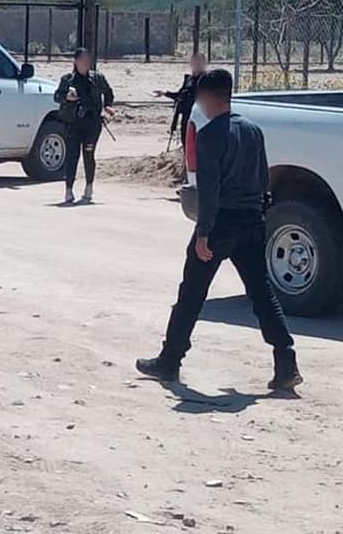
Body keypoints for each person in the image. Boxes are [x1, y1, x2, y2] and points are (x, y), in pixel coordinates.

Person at [136, 70, 302, 391]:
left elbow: (209, 189)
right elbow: (263, 179)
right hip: (252, 220)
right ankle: (286, 362)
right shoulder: (252, 130)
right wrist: (260, 213)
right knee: (262, 294)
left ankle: (170, 360)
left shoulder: (210, 134)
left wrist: (203, 233)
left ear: (209, 97)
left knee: (192, 293)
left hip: (221, 223)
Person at [53, 47, 115, 204]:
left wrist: (108, 106)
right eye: (83, 60)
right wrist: (67, 97)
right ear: (76, 61)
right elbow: (57, 96)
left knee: (89, 154)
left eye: (88, 60)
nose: (86, 63)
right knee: (72, 156)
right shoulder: (67, 80)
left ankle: (89, 187)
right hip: (73, 124)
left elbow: (108, 92)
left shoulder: (97, 78)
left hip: (92, 124)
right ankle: (68, 190)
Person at [155, 53, 207, 149]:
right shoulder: (189, 80)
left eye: (198, 62)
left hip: (199, 117)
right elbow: (180, 95)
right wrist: (165, 93)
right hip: (186, 117)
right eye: (193, 62)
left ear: (204, 64)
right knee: (186, 143)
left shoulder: (206, 80)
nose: (195, 65)